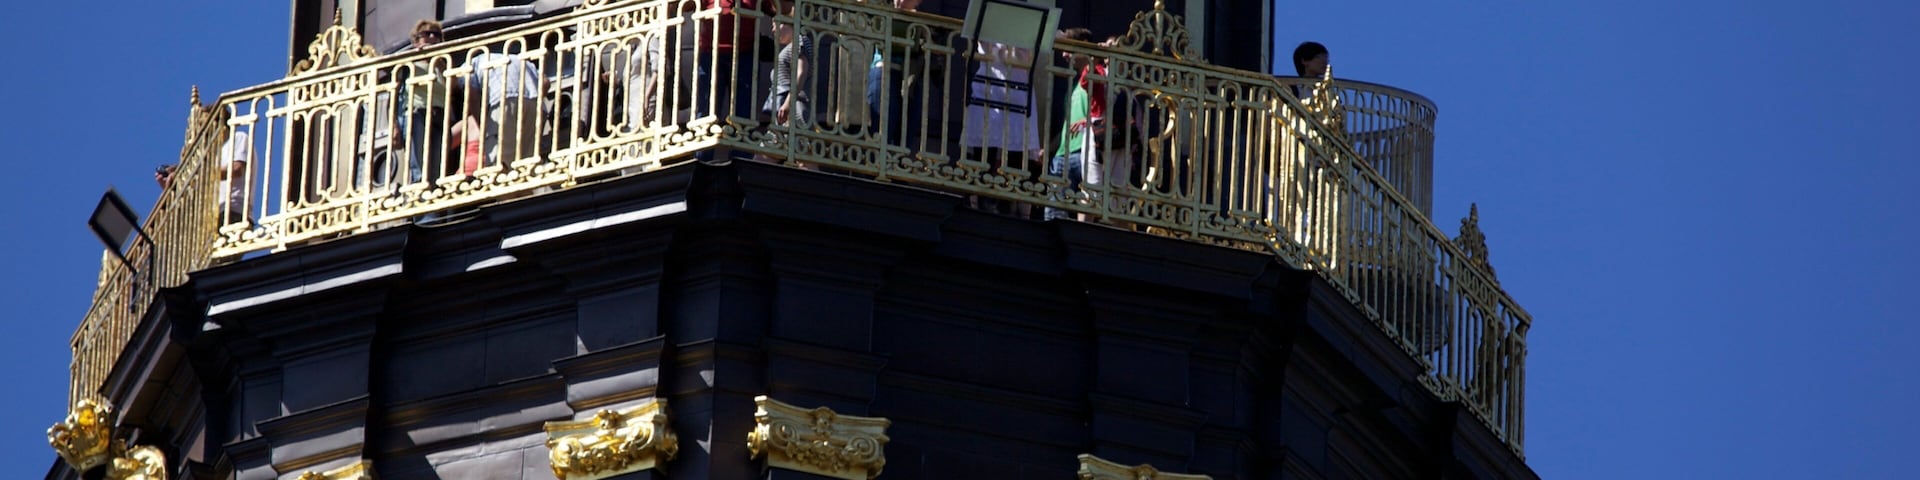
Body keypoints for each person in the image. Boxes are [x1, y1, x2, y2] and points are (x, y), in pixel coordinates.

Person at [960, 39, 1042, 216]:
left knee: (1010, 150)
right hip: (994, 85)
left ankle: (1006, 202)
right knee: (987, 147)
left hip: (1011, 88)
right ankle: (983, 198)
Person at [1044, 28, 1108, 221]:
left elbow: (1106, 111)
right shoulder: (1073, 87)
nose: (1064, 54)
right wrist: (1049, 149)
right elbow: (1068, 125)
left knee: (1088, 204)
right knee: (1055, 214)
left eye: (1069, 49)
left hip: (1087, 151)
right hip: (1063, 155)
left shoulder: (1098, 77)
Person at [461, 49, 543, 170]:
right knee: (527, 162)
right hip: (534, 101)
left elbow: (471, 96)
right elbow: (545, 82)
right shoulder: (517, 58)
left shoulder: (468, 66)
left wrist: (483, 126)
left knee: (498, 161)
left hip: (504, 98)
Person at [396, 20, 453, 186]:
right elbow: (394, 95)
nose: (433, 37)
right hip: (417, 113)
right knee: (419, 168)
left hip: (440, 117)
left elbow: (454, 86)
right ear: (416, 41)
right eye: (427, 34)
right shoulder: (408, 63)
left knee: (436, 172)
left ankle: (431, 211)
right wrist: (394, 126)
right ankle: (422, 209)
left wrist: (440, 62)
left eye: (437, 35)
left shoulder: (442, 65)